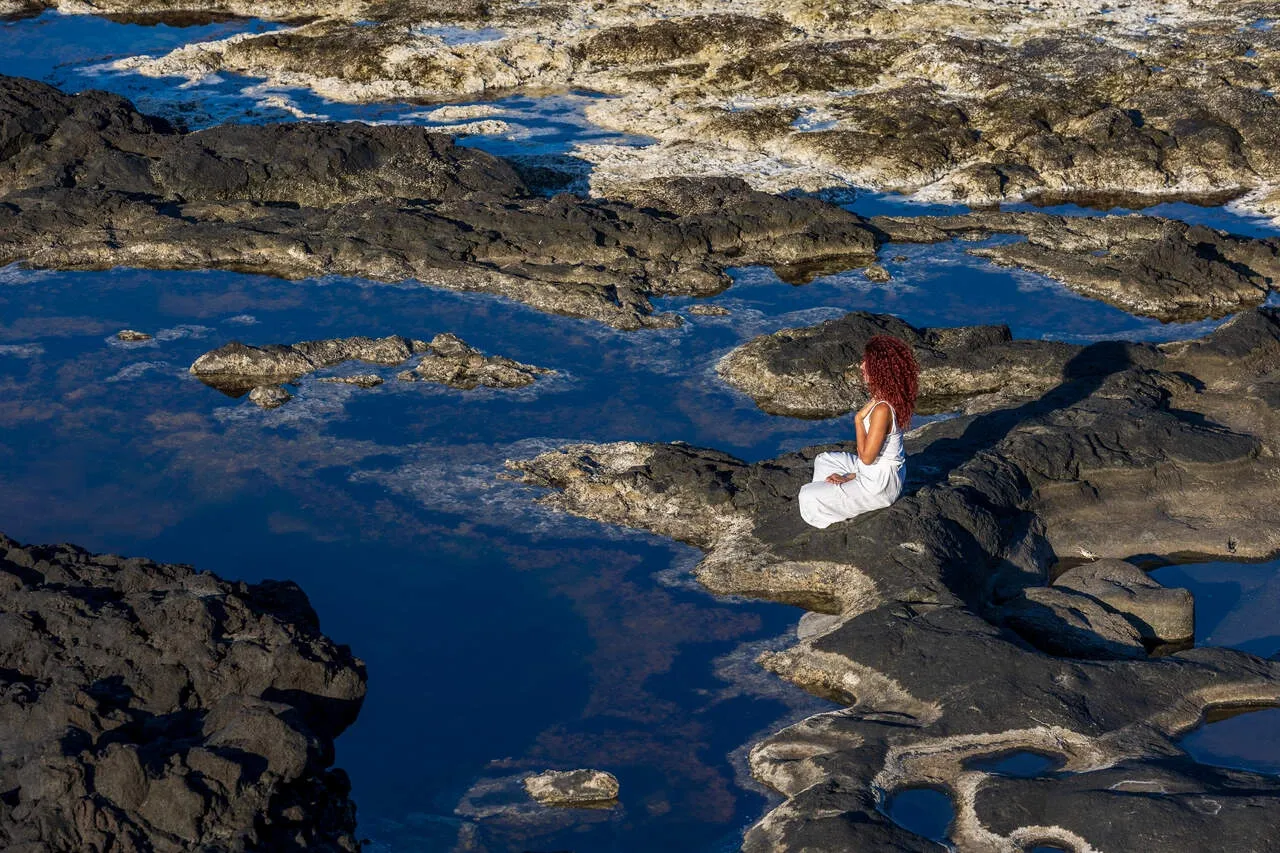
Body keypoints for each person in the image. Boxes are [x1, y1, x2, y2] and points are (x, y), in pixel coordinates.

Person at [798, 334, 919, 529]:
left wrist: (858, 420)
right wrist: (849, 477)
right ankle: (837, 494)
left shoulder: (882, 409)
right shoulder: (883, 397)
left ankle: (836, 500)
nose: (862, 366)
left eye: (867, 362)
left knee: (806, 495)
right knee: (823, 459)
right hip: (874, 473)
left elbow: (866, 459)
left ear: (879, 368)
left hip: (879, 486)